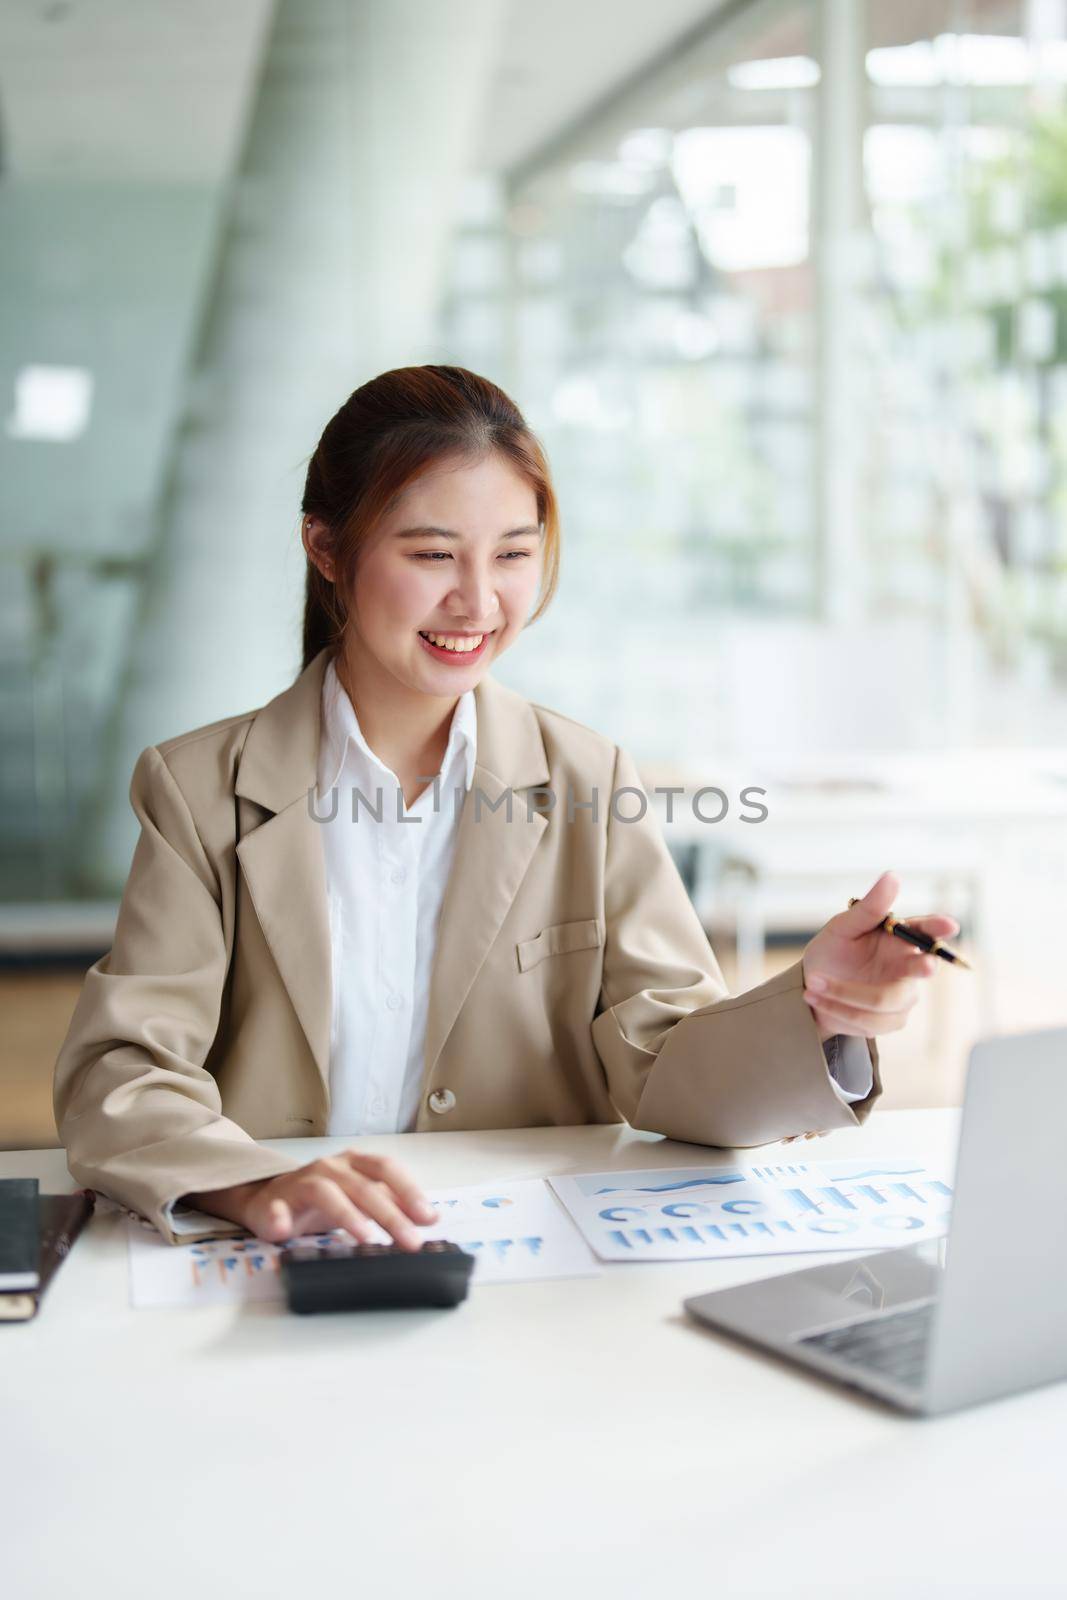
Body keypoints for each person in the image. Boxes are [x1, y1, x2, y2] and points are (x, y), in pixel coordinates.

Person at [53, 365, 958, 1248]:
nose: (478, 601)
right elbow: (122, 1071)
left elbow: (664, 1065)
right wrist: (251, 1183)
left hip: (524, 1268)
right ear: (326, 547)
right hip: (281, 1257)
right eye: (432, 554)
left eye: (514, 554)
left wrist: (812, 1013)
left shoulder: (587, 780)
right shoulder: (199, 788)